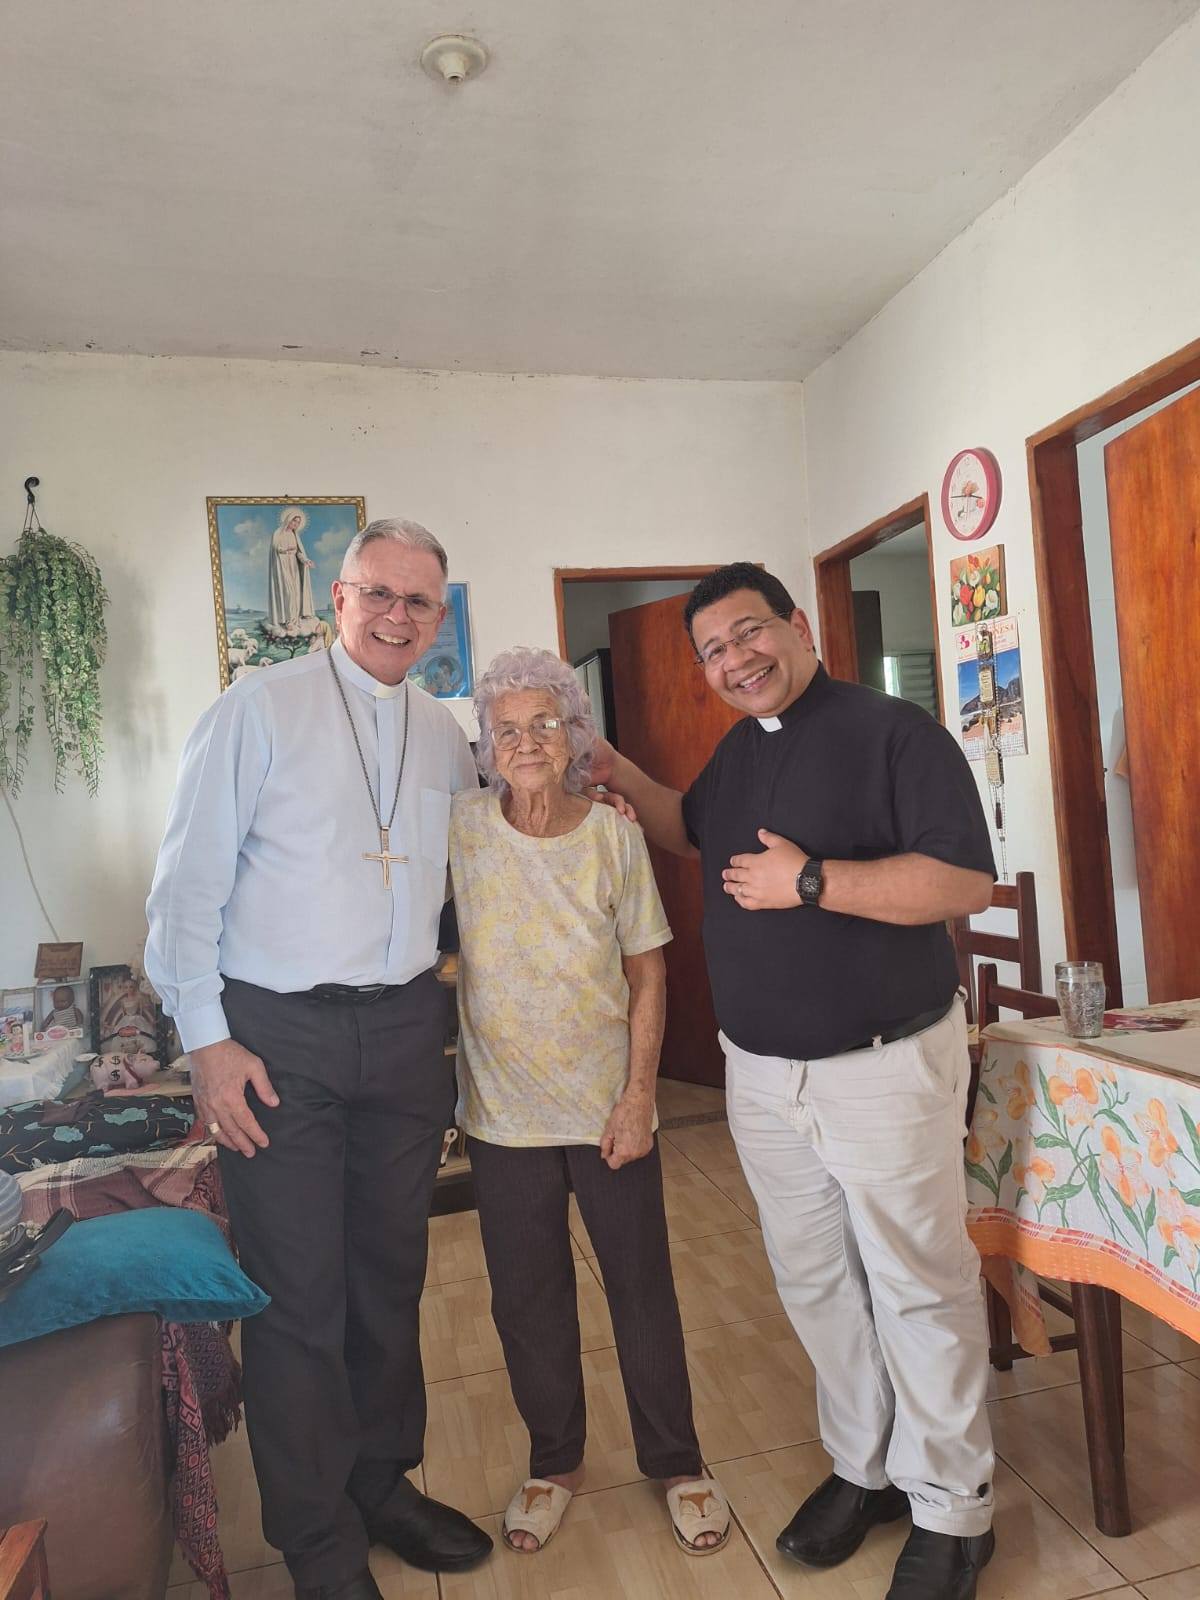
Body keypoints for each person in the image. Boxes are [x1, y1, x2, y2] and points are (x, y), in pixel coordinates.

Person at [589, 563, 998, 1600]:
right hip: (763, 1077)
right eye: (713, 651)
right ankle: (868, 1469)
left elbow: (962, 882)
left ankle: (955, 1507)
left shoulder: (895, 733)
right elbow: (688, 827)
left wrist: (810, 880)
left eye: (749, 633)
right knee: (816, 1280)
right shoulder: (739, 751)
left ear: (799, 625)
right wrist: (614, 767)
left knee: (917, 1283)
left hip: (883, 1065)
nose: (736, 660)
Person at [146, 519, 492, 1600]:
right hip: (275, 1037)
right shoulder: (256, 710)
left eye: (419, 602)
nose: (397, 616)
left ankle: (381, 1482)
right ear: (336, 599)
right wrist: (207, 1044)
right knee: (298, 1296)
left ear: (438, 619)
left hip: (403, 1030)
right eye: (378, 593)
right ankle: (318, 1542)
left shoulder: (444, 732)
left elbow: (478, 865)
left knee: (390, 1276)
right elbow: (183, 892)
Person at [448, 647, 730, 1559]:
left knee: (642, 1290)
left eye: (545, 723)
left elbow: (649, 973)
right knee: (527, 1300)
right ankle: (554, 1462)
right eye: (506, 729)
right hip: (503, 1115)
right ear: (486, 746)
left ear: (575, 734)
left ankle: (677, 1461)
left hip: (609, 1105)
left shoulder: (613, 833)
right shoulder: (461, 830)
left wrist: (640, 1095)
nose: (526, 742)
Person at [267, 506, 317, 633]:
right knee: (288, 593)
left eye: (298, 522)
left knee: (295, 594)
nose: (296, 524)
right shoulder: (278, 533)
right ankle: (288, 620)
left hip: (294, 567)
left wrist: (306, 561)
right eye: (294, 521)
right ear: (288, 519)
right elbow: (276, 548)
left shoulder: (295, 536)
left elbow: (299, 553)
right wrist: (285, 550)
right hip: (282, 566)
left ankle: (295, 619)